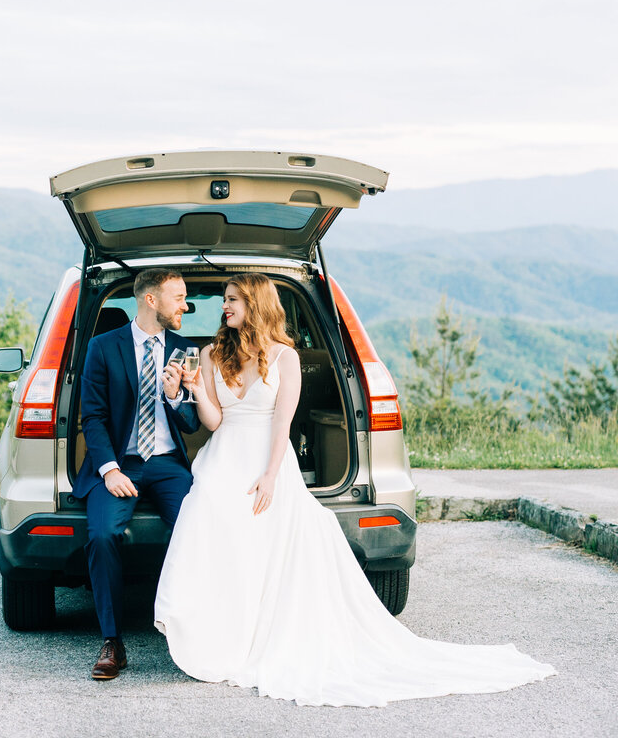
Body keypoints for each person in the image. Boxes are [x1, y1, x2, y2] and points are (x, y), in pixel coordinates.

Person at [154, 274, 556, 707]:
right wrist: (194, 391)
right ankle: (223, 632)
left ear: (256, 304)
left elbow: (281, 424)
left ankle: (259, 634)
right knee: (221, 537)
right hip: (223, 458)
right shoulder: (213, 354)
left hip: (267, 460)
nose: (225, 307)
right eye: (226, 300)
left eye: (232, 299)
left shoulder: (286, 357)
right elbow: (215, 421)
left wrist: (271, 474)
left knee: (264, 544)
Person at [73, 268, 200, 680]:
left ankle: (194, 629)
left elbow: (192, 424)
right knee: (103, 535)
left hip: (167, 463)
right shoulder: (102, 346)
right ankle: (112, 641)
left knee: (195, 528)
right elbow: (92, 415)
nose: (186, 305)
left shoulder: (185, 348)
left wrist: (176, 396)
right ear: (151, 300)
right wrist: (108, 469)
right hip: (118, 463)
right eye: (178, 297)